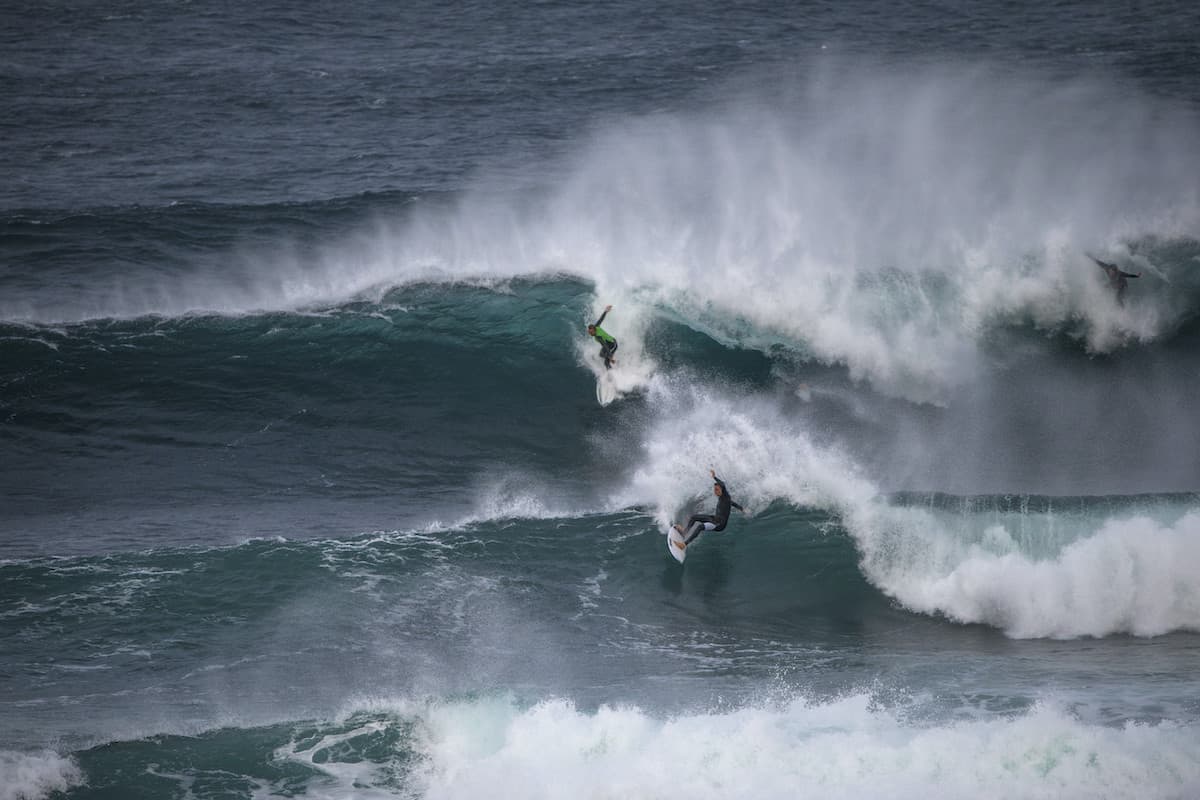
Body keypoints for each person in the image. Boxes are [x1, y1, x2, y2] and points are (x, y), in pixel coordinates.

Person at [673, 468, 745, 548]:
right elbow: (732, 503)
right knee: (694, 517)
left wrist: (715, 477)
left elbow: (723, 485)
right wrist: (741, 509)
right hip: (714, 518)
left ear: (722, 490)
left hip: (719, 525)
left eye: (717, 490)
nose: (715, 491)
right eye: (714, 490)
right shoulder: (723, 498)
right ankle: (684, 533)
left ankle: (684, 544)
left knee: (700, 527)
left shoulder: (726, 497)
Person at [587, 304, 618, 369]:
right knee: (601, 354)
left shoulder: (598, 336)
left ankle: (613, 373)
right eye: (589, 332)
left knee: (606, 363)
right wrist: (606, 311)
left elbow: (605, 346)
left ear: (594, 331)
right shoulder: (596, 326)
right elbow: (601, 319)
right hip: (608, 343)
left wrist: (610, 356)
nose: (590, 333)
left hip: (613, 344)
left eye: (591, 332)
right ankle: (614, 361)